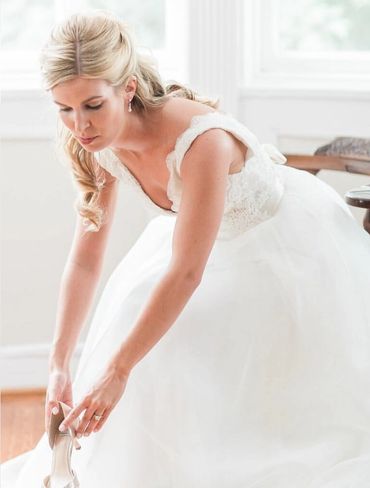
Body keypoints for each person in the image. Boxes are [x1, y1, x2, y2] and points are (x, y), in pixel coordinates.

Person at [2, 9, 370, 488]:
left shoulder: (203, 142)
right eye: (64, 108)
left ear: (127, 89)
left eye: (92, 105)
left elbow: (186, 274)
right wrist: (57, 365)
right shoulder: (96, 143)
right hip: (198, 245)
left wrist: (118, 372)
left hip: (279, 251)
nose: (79, 125)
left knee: (155, 351)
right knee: (133, 316)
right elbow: (85, 260)